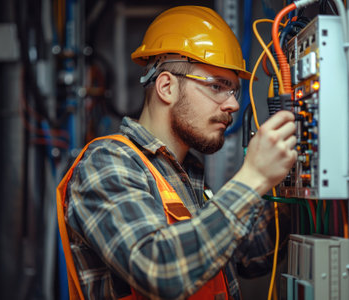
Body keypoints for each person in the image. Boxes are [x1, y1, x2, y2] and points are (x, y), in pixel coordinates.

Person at [57, 5, 297, 300]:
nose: (233, 105)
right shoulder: (107, 162)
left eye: (233, 90)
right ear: (167, 86)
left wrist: (299, 180)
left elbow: (249, 253)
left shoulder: (186, 174)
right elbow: (159, 271)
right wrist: (253, 178)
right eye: (217, 86)